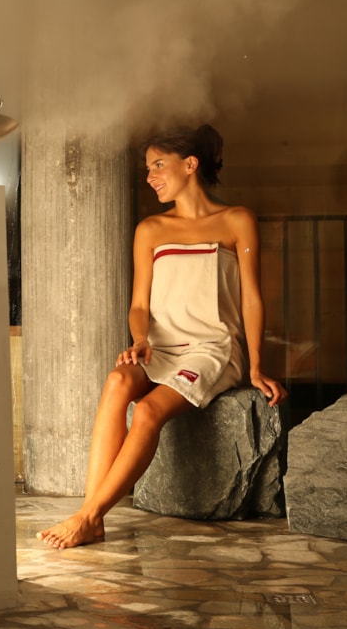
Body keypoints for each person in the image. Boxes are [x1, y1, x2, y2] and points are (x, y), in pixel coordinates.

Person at [38, 124, 287, 549]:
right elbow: (140, 304)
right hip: (161, 346)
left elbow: (251, 298)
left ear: (190, 164)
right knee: (117, 381)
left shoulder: (237, 220)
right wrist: (140, 340)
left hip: (211, 349)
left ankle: (90, 516)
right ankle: (90, 514)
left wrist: (257, 365)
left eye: (157, 165)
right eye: (147, 168)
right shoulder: (150, 229)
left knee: (149, 411)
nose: (150, 176)